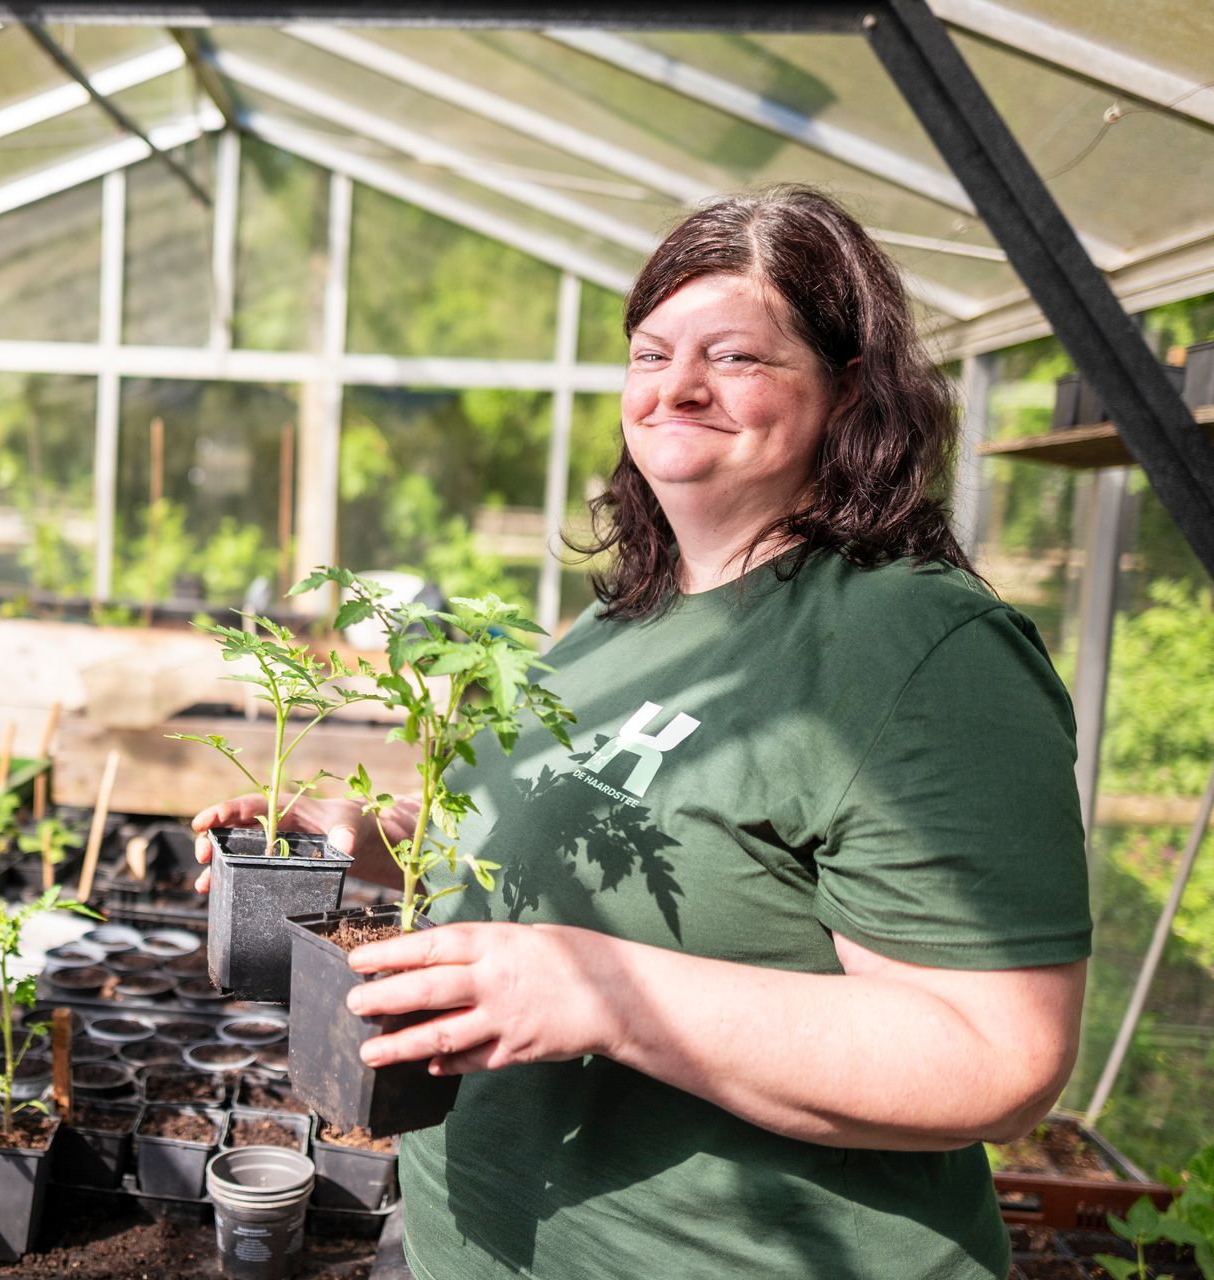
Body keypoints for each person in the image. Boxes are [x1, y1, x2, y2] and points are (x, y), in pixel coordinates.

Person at [192, 186, 1090, 1279]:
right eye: (651, 353)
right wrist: (365, 836)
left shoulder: (921, 651)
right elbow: (571, 831)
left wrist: (604, 993)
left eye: (736, 356)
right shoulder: (621, 624)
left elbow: (998, 1057)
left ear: (850, 387)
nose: (678, 386)